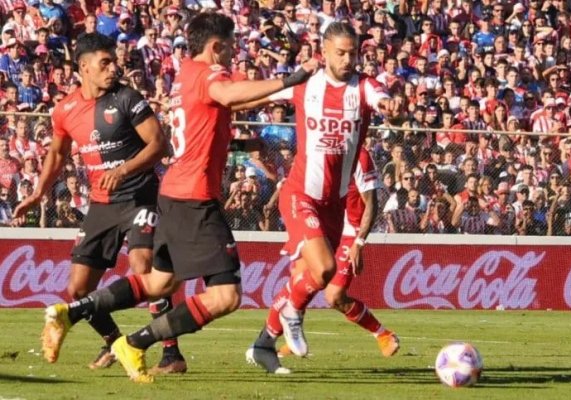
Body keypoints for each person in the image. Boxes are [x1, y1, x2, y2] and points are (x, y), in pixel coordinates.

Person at [36, 13, 317, 383]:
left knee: (156, 283)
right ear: (216, 48)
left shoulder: (185, 75)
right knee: (225, 296)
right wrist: (293, 77)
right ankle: (134, 343)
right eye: (230, 48)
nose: (233, 56)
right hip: (193, 199)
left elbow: (209, 121)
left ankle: (72, 314)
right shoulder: (209, 76)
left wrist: (237, 142)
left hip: (168, 194)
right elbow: (229, 93)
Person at [13, 33, 188, 374]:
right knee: (77, 289)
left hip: (140, 196)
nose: (113, 68)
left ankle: (171, 355)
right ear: (84, 68)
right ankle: (113, 341)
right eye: (104, 63)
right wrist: (37, 193)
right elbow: (57, 154)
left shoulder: (126, 99)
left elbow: (158, 145)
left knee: (143, 266)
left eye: (114, 61)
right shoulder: (65, 110)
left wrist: (123, 170)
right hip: (102, 204)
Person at [243, 22, 400, 374]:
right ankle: (293, 315)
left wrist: (391, 106)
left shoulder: (364, 88)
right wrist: (227, 102)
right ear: (324, 52)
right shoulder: (306, 84)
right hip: (300, 193)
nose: (348, 59)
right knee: (325, 269)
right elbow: (263, 94)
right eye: (340, 53)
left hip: (335, 204)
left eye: (353, 53)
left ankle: (263, 344)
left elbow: (383, 98)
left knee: (307, 277)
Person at [279, 147, 399, 359]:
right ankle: (288, 337)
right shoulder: (317, 148)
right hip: (321, 227)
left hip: (349, 232)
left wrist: (359, 242)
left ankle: (383, 334)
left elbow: (371, 203)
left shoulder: (360, 157)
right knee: (299, 279)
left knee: (334, 296)